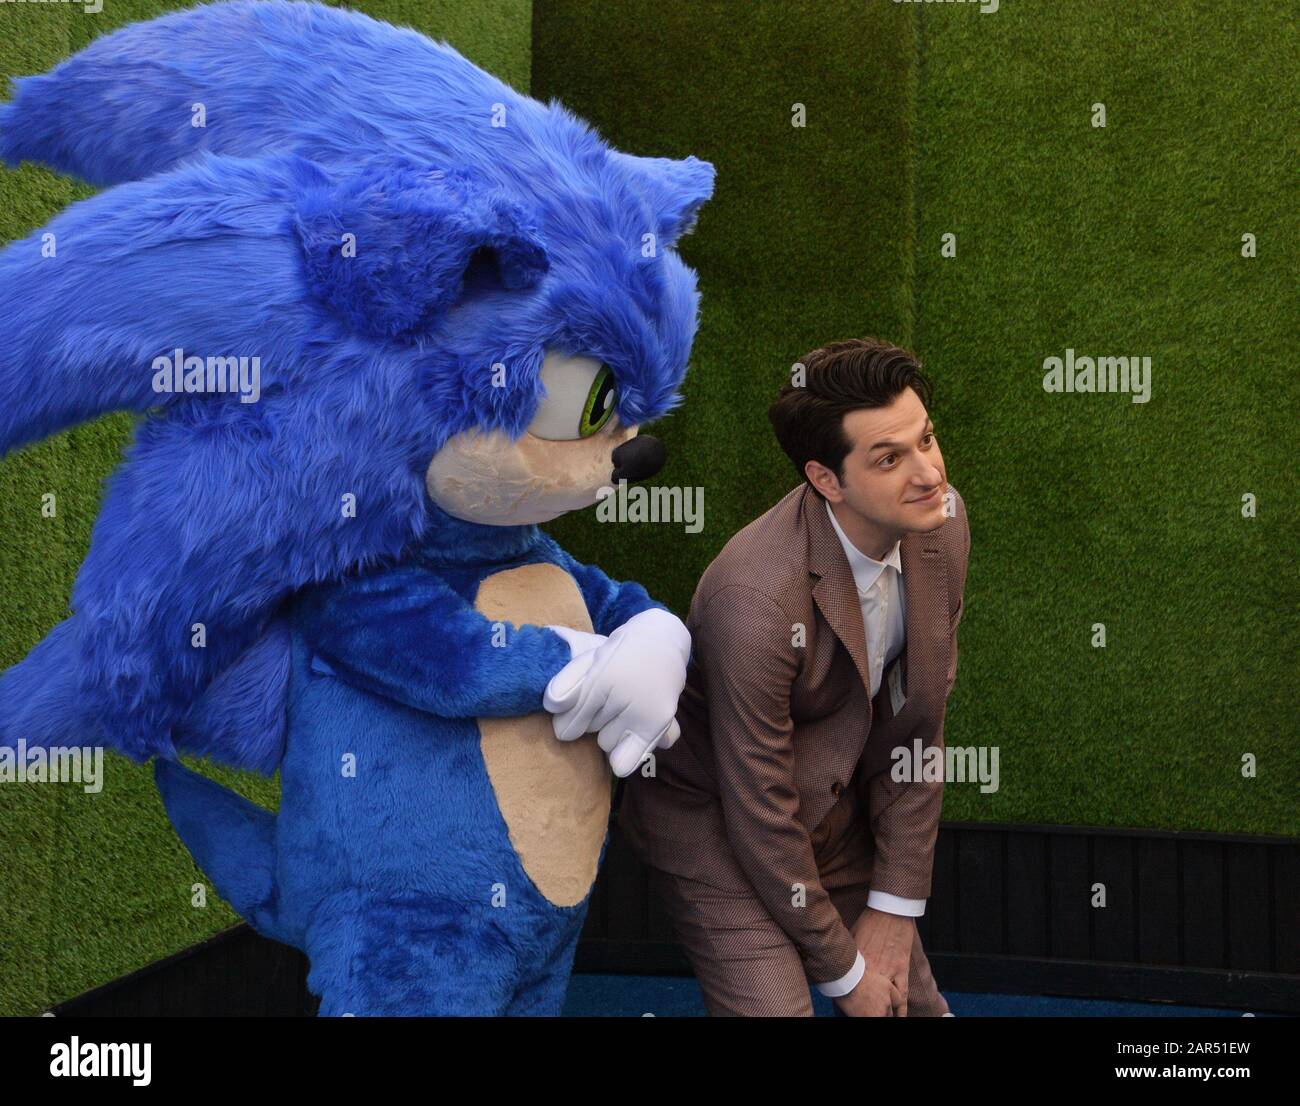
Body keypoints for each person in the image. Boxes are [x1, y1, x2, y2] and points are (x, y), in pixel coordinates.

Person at [619, 337, 970, 1016]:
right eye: (890, 459)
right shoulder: (752, 598)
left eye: (927, 440)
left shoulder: (942, 524)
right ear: (826, 480)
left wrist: (894, 908)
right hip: (715, 816)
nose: (929, 473)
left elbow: (920, 723)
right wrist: (844, 972)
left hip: (828, 803)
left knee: (915, 1008)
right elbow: (757, 803)